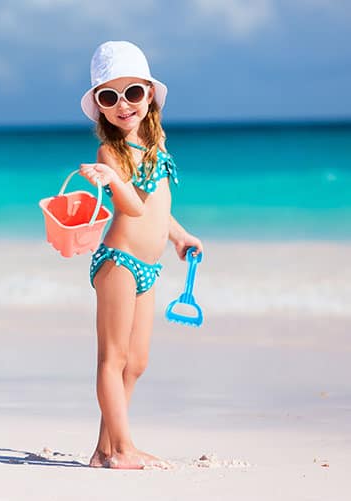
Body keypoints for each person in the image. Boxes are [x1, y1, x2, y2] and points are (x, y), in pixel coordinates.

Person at [78, 41, 204, 470]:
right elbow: (130, 208)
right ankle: (124, 448)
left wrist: (181, 236)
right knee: (112, 358)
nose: (122, 105)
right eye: (108, 96)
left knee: (138, 362)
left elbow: (158, 207)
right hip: (119, 262)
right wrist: (111, 179)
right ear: (100, 107)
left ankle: (105, 450)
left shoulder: (156, 149)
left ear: (149, 94)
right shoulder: (110, 154)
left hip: (149, 266)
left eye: (131, 92)